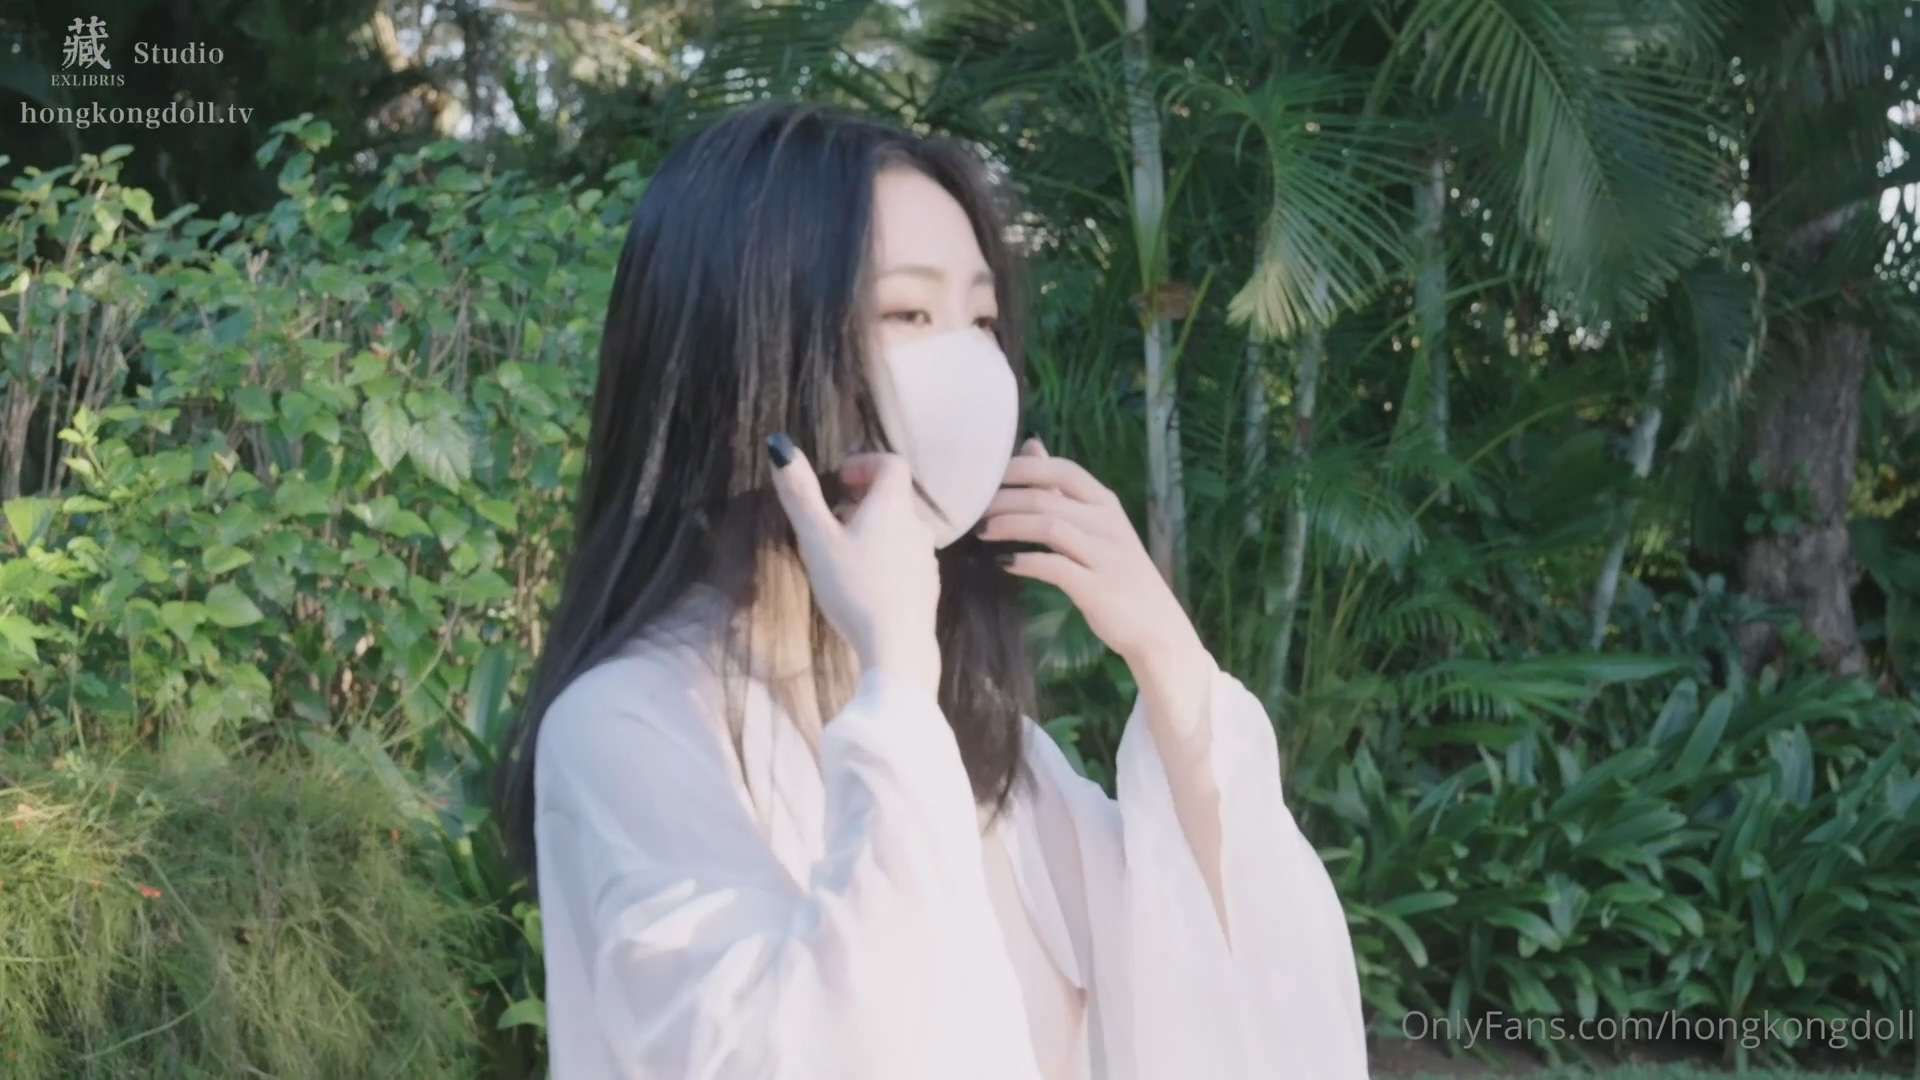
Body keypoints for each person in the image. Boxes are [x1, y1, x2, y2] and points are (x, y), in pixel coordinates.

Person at [493, 99, 1369, 1080]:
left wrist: (1168, 656)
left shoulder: (973, 733)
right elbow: (816, 1050)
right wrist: (898, 673)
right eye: (910, 313)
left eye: (981, 319)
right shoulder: (628, 728)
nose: (970, 365)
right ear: (742, 352)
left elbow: (1225, 989)